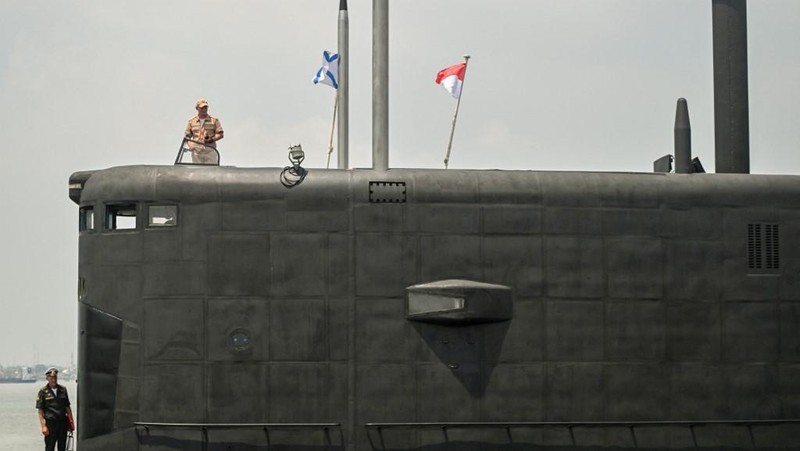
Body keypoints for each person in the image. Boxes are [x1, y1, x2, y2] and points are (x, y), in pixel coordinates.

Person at [36, 367, 73, 451]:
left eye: (55, 377)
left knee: (62, 447)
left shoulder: (63, 390)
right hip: (50, 424)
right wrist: (43, 426)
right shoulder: (43, 391)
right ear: (47, 378)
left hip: (62, 423)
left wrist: (71, 423)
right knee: (50, 447)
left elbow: (67, 408)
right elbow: (40, 411)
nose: (53, 380)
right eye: (51, 378)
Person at [184, 97, 224, 164]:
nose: (204, 109)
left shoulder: (214, 120)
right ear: (197, 108)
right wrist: (190, 145)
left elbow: (220, 134)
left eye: (205, 107)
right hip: (197, 152)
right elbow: (187, 136)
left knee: (211, 172)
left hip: (210, 150)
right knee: (197, 171)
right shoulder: (191, 121)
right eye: (202, 108)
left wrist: (211, 139)